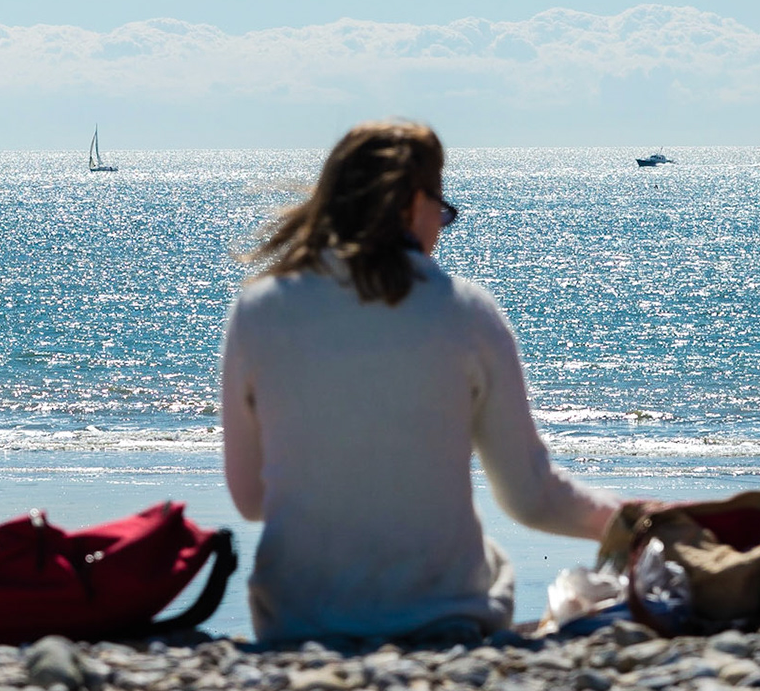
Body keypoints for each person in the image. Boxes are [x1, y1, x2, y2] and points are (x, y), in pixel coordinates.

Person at [220, 120, 618, 645]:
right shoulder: (465, 312)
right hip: (440, 617)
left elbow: (251, 500)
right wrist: (632, 523)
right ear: (411, 204)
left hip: (296, 619)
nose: (440, 229)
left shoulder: (259, 311)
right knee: (491, 555)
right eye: (442, 209)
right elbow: (532, 497)